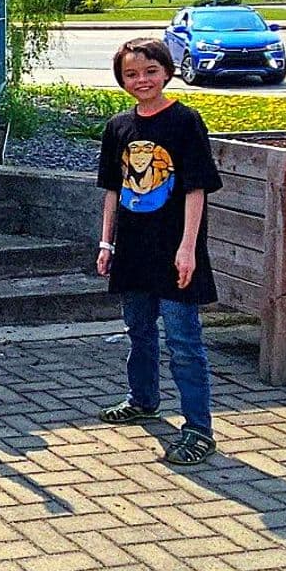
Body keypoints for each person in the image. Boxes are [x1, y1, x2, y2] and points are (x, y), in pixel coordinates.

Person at [96, 38, 222, 468]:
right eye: (131, 74)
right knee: (139, 331)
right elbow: (113, 188)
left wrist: (187, 248)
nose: (141, 80)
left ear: (166, 71)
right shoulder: (118, 127)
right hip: (132, 250)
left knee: (184, 340)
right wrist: (106, 241)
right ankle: (143, 399)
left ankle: (199, 428)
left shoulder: (185, 121)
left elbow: (196, 188)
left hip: (174, 252)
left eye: (150, 71)